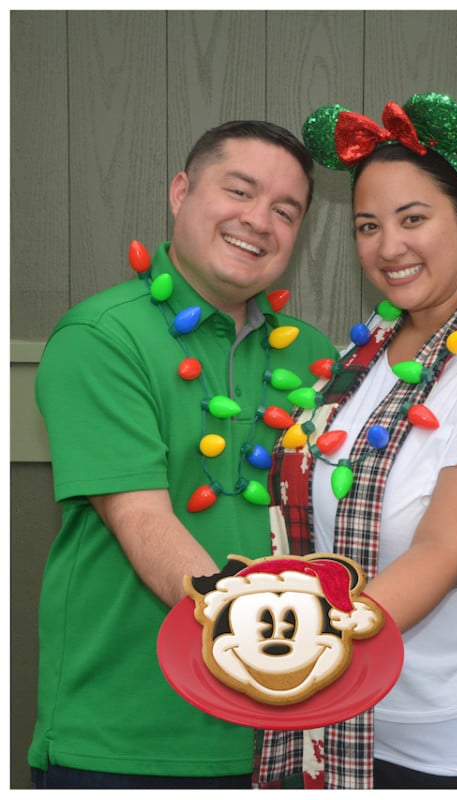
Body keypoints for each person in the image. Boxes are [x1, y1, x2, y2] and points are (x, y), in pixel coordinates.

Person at [254, 93, 457, 789]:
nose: (388, 246)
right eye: (367, 226)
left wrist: (294, 650)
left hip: (453, 745)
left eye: (413, 218)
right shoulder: (369, 352)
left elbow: (444, 550)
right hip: (344, 723)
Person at [28, 121, 339, 788]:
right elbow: (142, 521)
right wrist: (259, 641)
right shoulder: (101, 336)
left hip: (280, 742)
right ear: (180, 193)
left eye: (285, 211)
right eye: (240, 191)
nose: (259, 220)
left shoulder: (315, 355)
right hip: (126, 741)